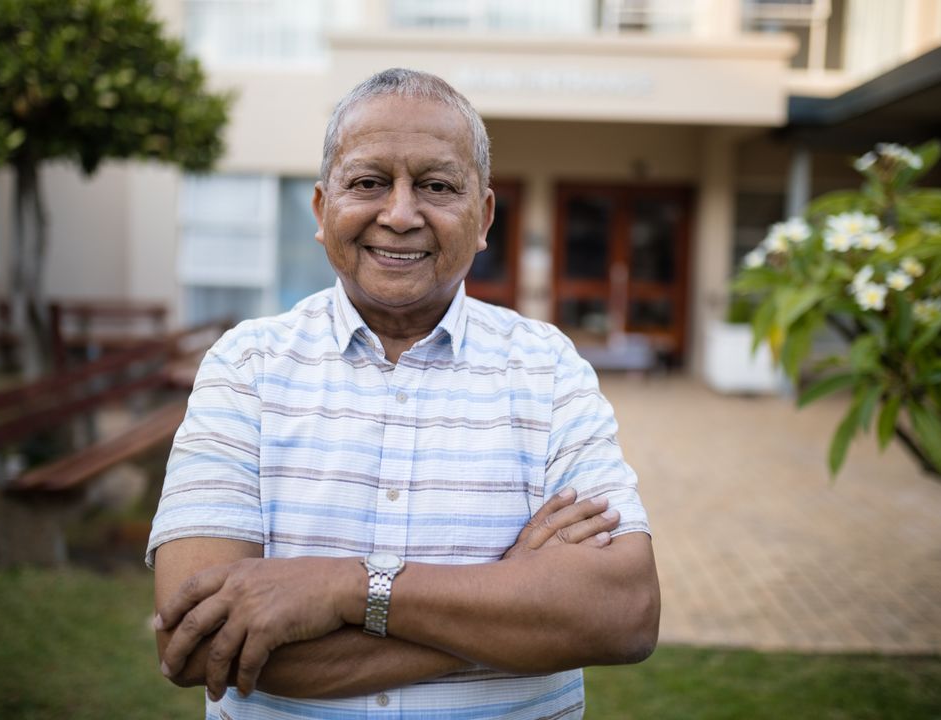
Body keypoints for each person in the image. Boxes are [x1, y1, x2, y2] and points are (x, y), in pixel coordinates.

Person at [149, 67, 660, 719]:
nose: (398, 214)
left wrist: (349, 589)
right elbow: (196, 643)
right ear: (320, 208)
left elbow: (624, 614)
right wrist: (512, 604)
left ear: (483, 216)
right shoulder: (246, 366)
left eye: (436, 186)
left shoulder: (548, 369)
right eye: (368, 183)